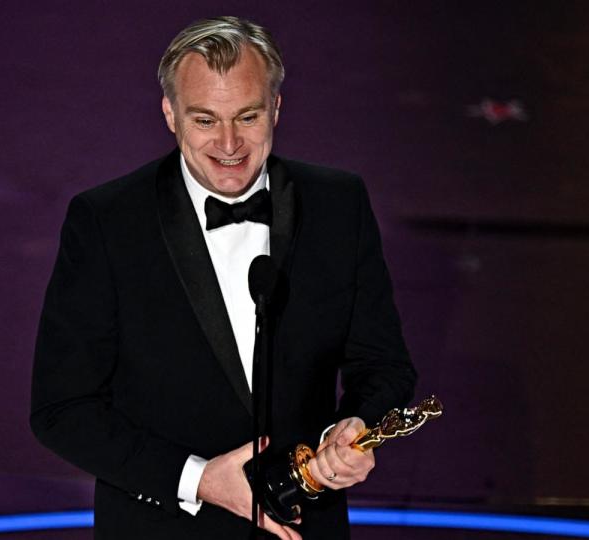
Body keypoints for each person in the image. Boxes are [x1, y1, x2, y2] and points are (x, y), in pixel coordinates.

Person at [30, 16, 416, 540]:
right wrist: (199, 479)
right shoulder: (107, 222)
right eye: (205, 120)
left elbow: (383, 365)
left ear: (276, 108)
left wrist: (349, 432)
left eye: (248, 116)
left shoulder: (337, 204)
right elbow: (62, 408)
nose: (230, 143)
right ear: (170, 114)